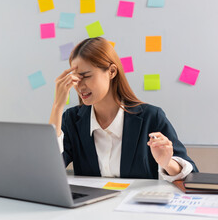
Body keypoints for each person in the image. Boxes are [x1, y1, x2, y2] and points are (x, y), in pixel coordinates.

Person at [49, 37, 198, 181]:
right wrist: (57, 106)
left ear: (112, 72)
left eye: (86, 76)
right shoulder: (72, 119)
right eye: (75, 78)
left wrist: (167, 163)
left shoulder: (151, 117)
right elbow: (49, 167)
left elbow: (191, 174)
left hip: (138, 206)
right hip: (91, 206)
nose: (79, 86)